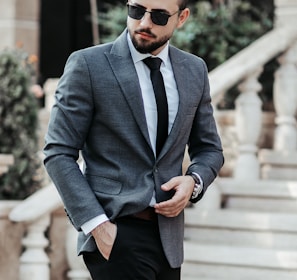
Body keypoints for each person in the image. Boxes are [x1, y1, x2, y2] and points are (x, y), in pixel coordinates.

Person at [43, 0, 224, 279]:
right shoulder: (88, 65)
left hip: (169, 239)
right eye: (137, 10)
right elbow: (58, 152)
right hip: (116, 233)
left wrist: (194, 181)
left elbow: (209, 148)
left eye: (159, 16)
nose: (144, 23)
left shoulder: (194, 70)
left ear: (182, 17)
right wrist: (98, 226)